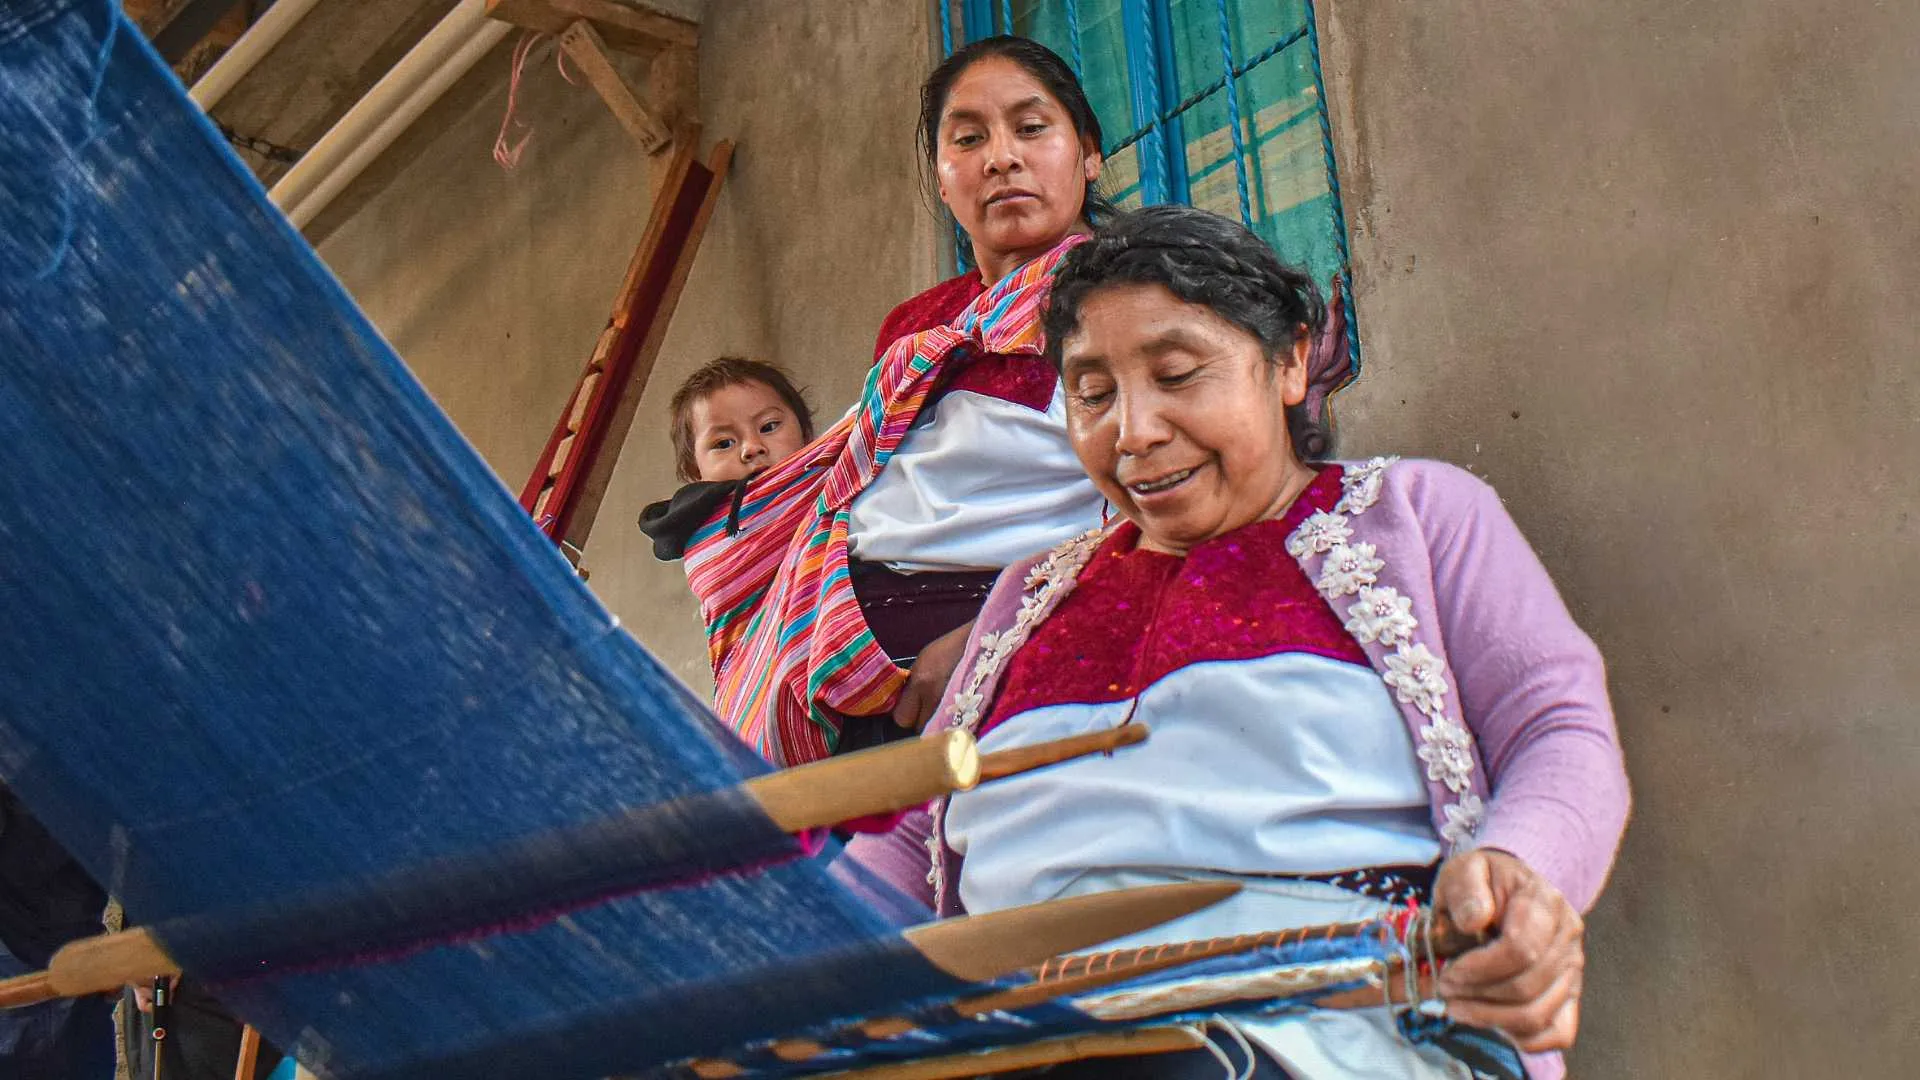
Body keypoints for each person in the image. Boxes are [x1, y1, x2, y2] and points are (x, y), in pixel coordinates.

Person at [843, 205, 1632, 1079]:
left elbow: (1555, 728)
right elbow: (915, 833)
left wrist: (1520, 871)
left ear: (1290, 360)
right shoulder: (1028, 592)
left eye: (1178, 375)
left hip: (1330, 1028)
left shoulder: (1413, 516)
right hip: (1012, 1031)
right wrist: (768, 953)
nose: (1132, 432)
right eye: (1093, 394)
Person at [666, 38, 1120, 765]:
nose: (1001, 158)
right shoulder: (919, 325)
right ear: (943, 181)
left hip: (993, 673)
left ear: (1088, 154)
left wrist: (988, 637)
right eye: (968, 139)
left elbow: (1167, 510)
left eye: (1031, 129)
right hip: (847, 683)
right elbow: (853, 484)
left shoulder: (1122, 302)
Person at [640, 357, 815, 560]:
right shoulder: (701, 538)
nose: (751, 448)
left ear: (806, 433)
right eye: (723, 444)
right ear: (695, 471)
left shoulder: (838, 480)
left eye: (768, 427)